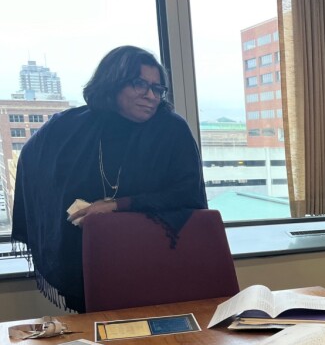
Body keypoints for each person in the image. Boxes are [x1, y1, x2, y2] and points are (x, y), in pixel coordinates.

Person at [11, 45, 207, 313]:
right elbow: (32, 159)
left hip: (156, 255)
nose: (150, 96)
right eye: (140, 84)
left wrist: (116, 205)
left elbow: (187, 195)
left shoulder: (171, 129)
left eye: (157, 89)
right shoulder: (73, 126)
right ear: (113, 83)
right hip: (93, 255)